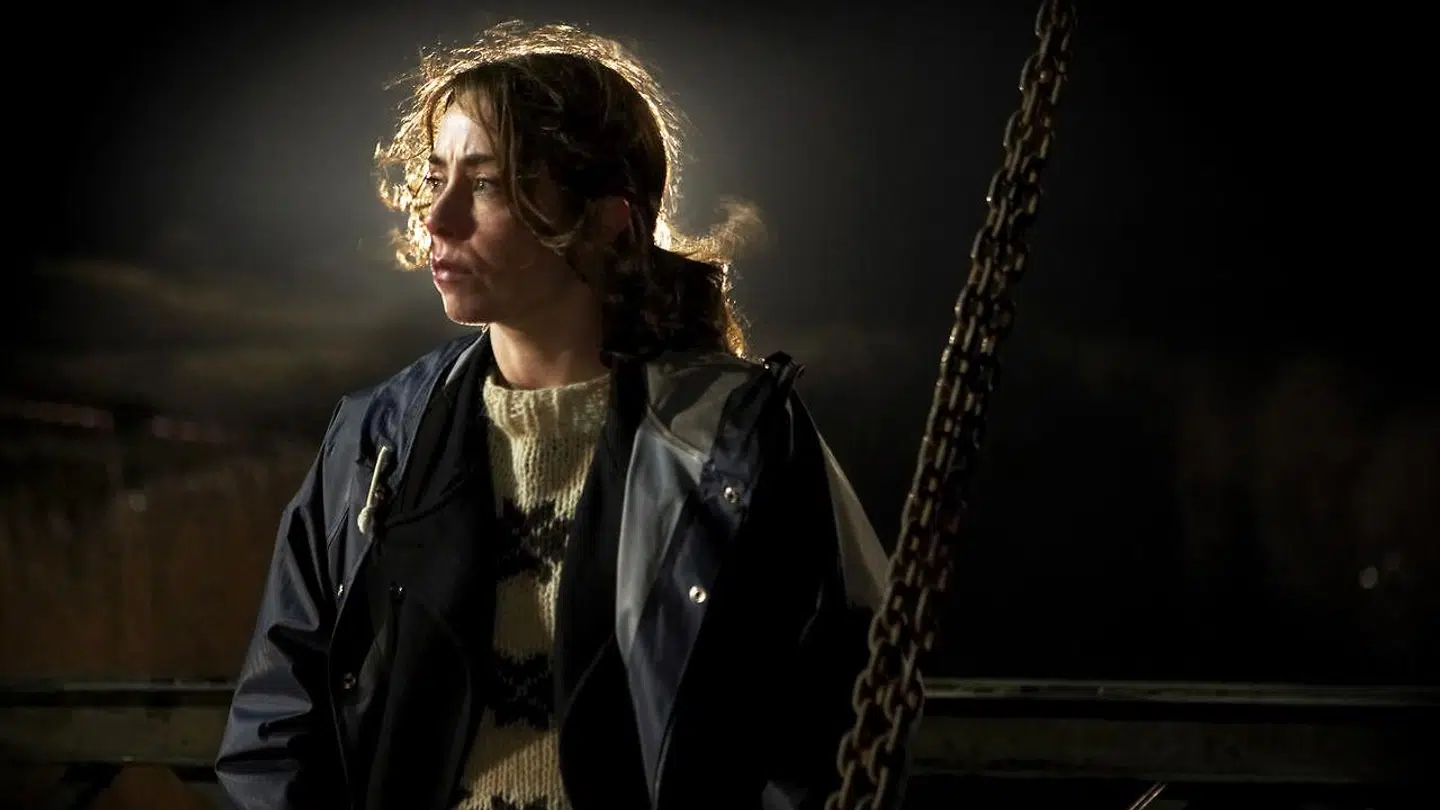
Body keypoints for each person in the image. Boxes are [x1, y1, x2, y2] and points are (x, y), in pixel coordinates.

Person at [215, 20, 893, 810]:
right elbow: (277, 723)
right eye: (434, 177)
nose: (438, 217)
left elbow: (836, 717)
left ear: (606, 215)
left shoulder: (732, 440)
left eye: (488, 183)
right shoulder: (377, 439)